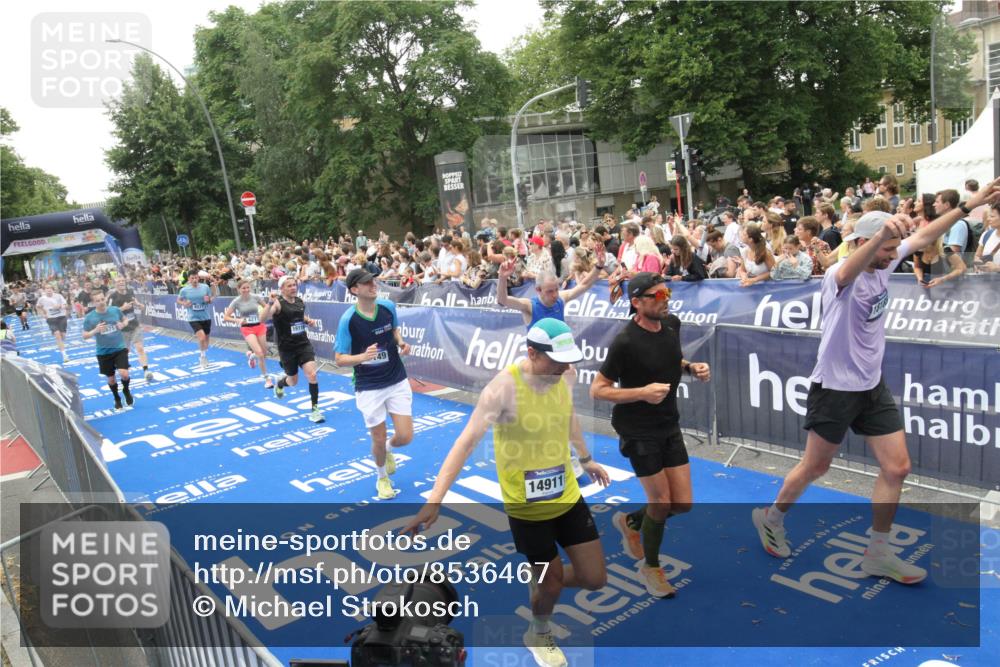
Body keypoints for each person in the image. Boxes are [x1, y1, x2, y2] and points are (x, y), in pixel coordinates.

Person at [751, 176, 1000, 584]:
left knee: (897, 467)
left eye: (891, 249)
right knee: (816, 466)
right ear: (866, 245)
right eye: (885, 249)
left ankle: (877, 553)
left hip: (871, 385)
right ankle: (772, 517)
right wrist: (879, 235)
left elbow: (923, 237)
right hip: (834, 388)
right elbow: (850, 266)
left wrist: (969, 204)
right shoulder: (839, 277)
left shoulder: (884, 260)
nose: (892, 255)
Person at [403, 318, 610, 667]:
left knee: (594, 579)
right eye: (557, 361)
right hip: (527, 509)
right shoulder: (502, 390)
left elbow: (568, 415)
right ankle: (539, 631)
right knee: (553, 583)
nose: (564, 367)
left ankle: (545, 584)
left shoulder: (565, 375)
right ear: (531, 352)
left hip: (567, 495)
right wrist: (434, 499)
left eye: (568, 360)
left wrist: (585, 457)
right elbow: (465, 443)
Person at [589, 274, 710, 598]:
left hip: (668, 423)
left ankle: (631, 522)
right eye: (656, 295)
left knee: (681, 503)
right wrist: (641, 392)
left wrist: (689, 368)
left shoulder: (672, 324)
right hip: (637, 428)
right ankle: (651, 568)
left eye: (666, 292)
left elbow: (672, 358)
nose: (664, 298)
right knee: (660, 501)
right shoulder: (625, 341)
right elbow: (597, 389)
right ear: (637, 303)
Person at [335, 268, 413, 500]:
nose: (373, 285)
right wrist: (362, 357)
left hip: (396, 378)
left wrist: (401, 342)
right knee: (377, 438)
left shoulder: (387, 307)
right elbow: (339, 359)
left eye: (373, 281)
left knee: (405, 437)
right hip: (369, 386)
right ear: (354, 290)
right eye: (367, 283)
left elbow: (394, 330)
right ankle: (382, 478)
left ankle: (387, 450)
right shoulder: (348, 320)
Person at [497, 242, 605, 330]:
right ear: (538, 290)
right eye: (549, 291)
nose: (555, 295)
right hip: (539, 355)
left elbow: (584, 285)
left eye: (556, 290)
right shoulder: (529, 306)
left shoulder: (560, 299)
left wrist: (599, 266)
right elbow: (503, 300)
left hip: (560, 353)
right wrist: (502, 278)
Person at [262, 276, 324, 422]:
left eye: (294, 285)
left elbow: (299, 317)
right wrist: (269, 302)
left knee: (312, 375)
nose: (293, 288)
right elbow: (263, 319)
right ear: (282, 288)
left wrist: (308, 321)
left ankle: (315, 410)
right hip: (287, 348)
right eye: (289, 286)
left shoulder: (299, 301)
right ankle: (280, 383)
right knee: (293, 381)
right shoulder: (278, 303)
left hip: (303, 344)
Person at [82, 289, 133, 411]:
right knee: (111, 379)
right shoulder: (90, 317)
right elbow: (84, 335)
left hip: (119, 347)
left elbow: (125, 319)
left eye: (102, 299)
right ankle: (116, 398)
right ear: (93, 303)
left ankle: (126, 390)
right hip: (103, 352)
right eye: (97, 301)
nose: (101, 302)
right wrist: (95, 330)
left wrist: (123, 324)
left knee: (124, 374)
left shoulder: (114, 310)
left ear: (105, 298)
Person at [224, 280, 273, 388]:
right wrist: (238, 320)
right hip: (247, 328)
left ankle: (251, 357)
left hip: (259, 326)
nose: (246, 290)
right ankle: (267, 379)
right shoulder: (236, 301)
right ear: (239, 289)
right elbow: (226, 317)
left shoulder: (255, 297)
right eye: (243, 288)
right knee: (260, 353)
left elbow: (266, 308)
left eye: (247, 288)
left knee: (264, 353)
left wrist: (267, 311)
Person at [107, 277, 154, 381]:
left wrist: (138, 304)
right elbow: (108, 313)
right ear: (115, 284)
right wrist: (122, 309)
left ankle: (146, 371)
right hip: (122, 329)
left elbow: (141, 306)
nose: (121, 283)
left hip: (135, 326)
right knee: (125, 352)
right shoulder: (113, 296)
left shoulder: (131, 292)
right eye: (118, 281)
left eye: (122, 281)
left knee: (140, 348)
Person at [177, 271, 214, 368]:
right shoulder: (184, 290)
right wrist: (184, 303)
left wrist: (209, 300)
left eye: (196, 278)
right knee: (201, 337)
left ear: (199, 278)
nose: (194, 280)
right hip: (193, 317)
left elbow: (211, 297)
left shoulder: (205, 287)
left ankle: (204, 353)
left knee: (206, 340)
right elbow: (179, 300)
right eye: (192, 278)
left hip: (206, 316)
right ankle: (202, 357)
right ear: (189, 279)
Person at [35, 284, 69, 362]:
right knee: (57, 335)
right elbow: (38, 307)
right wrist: (42, 314)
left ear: (53, 289)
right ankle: (64, 355)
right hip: (51, 319)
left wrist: (60, 306)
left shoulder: (58, 296)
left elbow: (66, 305)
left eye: (50, 288)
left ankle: (61, 343)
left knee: (63, 335)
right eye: (47, 288)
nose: (49, 289)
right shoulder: (42, 299)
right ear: (44, 290)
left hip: (61, 317)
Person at [973, 203, 1000, 272]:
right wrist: (978, 263)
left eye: (992, 216)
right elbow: (977, 255)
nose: (988, 219)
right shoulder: (987, 234)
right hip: (987, 281)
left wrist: (997, 268)